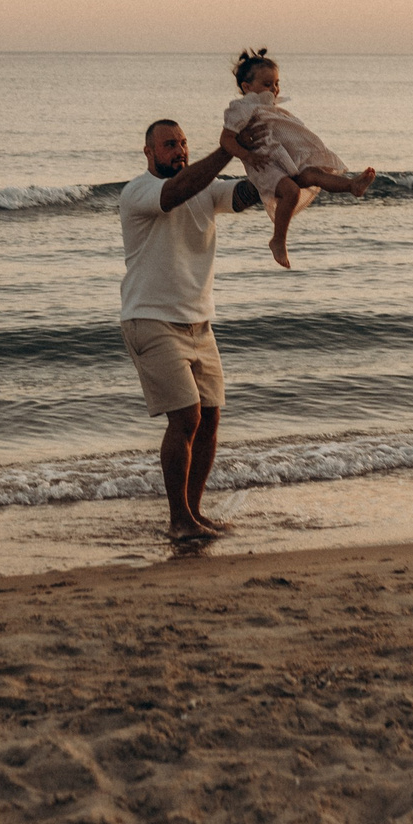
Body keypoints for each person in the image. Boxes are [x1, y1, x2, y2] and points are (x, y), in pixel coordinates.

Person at [118, 116, 263, 541]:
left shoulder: (205, 190)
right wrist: (226, 151)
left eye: (182, 143)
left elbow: (243, 194)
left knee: (210, 420)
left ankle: (194, 514)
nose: (178, 150)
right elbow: (176, 193)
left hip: (200, 323)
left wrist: (268, 161)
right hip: (150, 318)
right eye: (168, 145)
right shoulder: (139, 193)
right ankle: (178, 519)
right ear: (148, 152)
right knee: (185, 418)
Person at [223, 47, 376, 268]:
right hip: (264, 166)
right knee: (291, 192)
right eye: (267, 84)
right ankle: (278, 240)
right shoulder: (240, 108)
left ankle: (352, 186)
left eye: (276, 83)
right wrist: (247, 155)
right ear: (247, 87)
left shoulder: (270, 107)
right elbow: (226, 139)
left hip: (284, 161)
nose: (274, 89)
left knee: (314, 174)